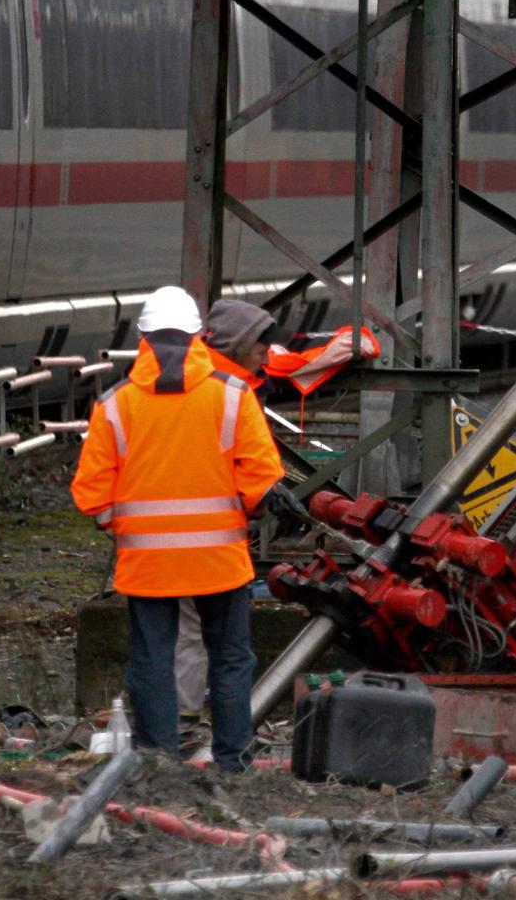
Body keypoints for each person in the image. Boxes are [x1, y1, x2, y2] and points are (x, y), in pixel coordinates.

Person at [71, 286, 288, 771]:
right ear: (197, 335)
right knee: (231, 660)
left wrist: (118, 525)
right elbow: (260, 481)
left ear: (143, 337)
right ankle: (233, 761)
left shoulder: (113, 405)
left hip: (147, 565)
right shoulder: (232, 396)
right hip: (220, 562)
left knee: (153, 661)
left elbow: (89, 492)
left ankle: (159, 760)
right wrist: (242, 514)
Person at [168, 299, 287, 730]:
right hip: (214, 545)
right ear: (236, 342)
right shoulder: (232, 392)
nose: (267, 351)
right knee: (228, 649)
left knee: (177, 634)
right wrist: (267, 503)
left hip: (158, 541)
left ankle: (176, 721)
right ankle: (228, 742)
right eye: (260, 341)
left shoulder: (178, 378)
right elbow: (256, 476)